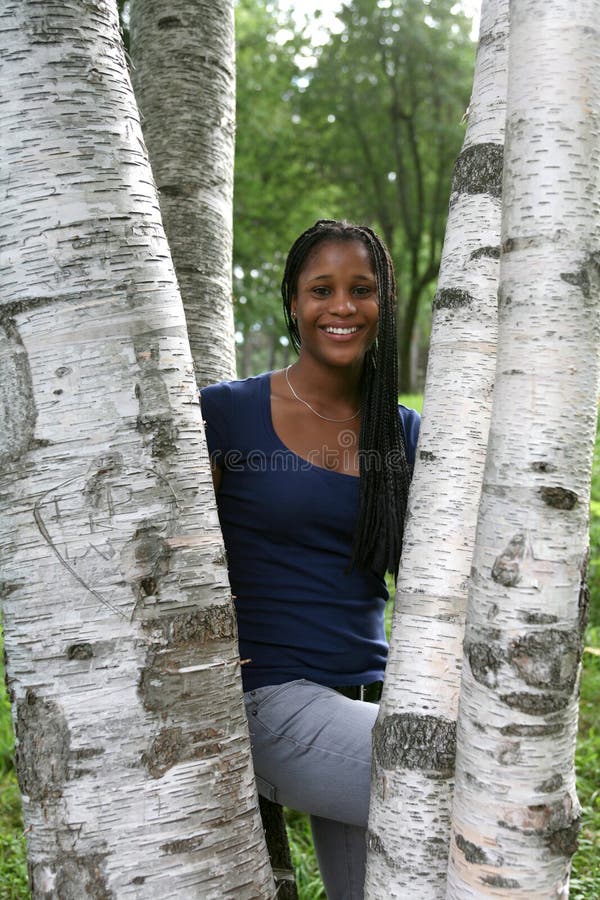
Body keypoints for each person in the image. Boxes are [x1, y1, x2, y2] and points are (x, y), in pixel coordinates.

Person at [201, 219, 420, 899]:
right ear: (293, 303)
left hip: (366, 697)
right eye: (321, 289)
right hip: (265, 699)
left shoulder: (402, 431)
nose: (343, 307)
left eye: (362, 289)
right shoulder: (227, 414)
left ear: (384, 301)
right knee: (433, 776)